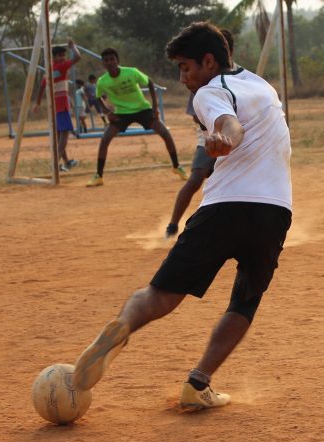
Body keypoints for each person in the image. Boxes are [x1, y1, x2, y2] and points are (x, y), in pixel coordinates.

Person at [72, 22, 292, 411]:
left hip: (224, 208)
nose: (183, 78)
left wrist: (223, 137)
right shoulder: (262, 85)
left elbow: (229, 124)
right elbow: (238, 123)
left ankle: (122, 328)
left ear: (209, 61)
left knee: (161, 294)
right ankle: (198, 383)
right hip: (274, 211)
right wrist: (225, 135)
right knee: (245, 301)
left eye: (185, 67)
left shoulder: (209, 92)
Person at [166, 28, 237, 239]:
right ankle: (173, 225)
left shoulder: (237, 78)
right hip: (208, 134)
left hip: (232, 136)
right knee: (196, 178)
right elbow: (198, 116)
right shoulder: (201, 84)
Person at [86, 48, 187, 187]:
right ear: (103, 63)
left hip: (142, 109)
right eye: (106, 60)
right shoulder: (103, 81)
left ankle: (177, 166)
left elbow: (150, 82)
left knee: (165, 133)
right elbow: (97, 97)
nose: (109, 62)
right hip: (121, 113)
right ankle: (98, 176)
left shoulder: (131, 72)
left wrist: (155, 107)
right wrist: (107, 112)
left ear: (117, 61)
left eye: (112, 59)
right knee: (105, 140)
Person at [33, 39, 81, 172]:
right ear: (53, 57)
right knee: (64, 134)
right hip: (61, 105)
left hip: (52, 106)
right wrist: (73, 46)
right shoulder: (62, 66)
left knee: (60, 135)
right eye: (59, 55)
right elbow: (78, 57)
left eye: (63, 55)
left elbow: (42, 86)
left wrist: (37, 102)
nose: (62, 58)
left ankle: (66, 162)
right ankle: (55, 163)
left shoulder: (49, 69)